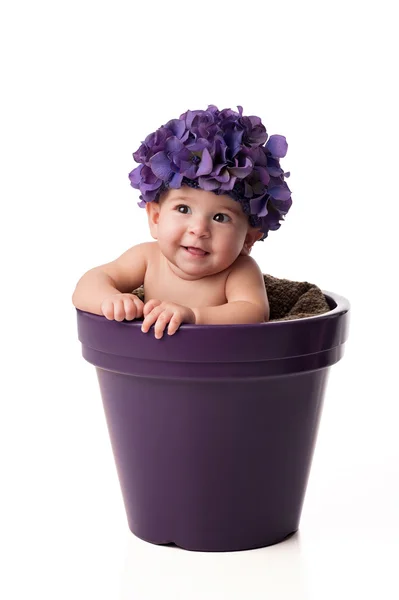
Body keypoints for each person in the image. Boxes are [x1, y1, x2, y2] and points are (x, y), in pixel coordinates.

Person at [72, 105, 292, 339]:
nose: (199, 230)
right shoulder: (147, 258)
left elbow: (253, 312)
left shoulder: (239, 271)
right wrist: (111, 300)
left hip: (218, 367)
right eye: (183, 209)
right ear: (155, 218)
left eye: (220, 217)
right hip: (149, 362)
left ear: (248, 239)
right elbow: (87, 285)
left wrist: (194, 316)